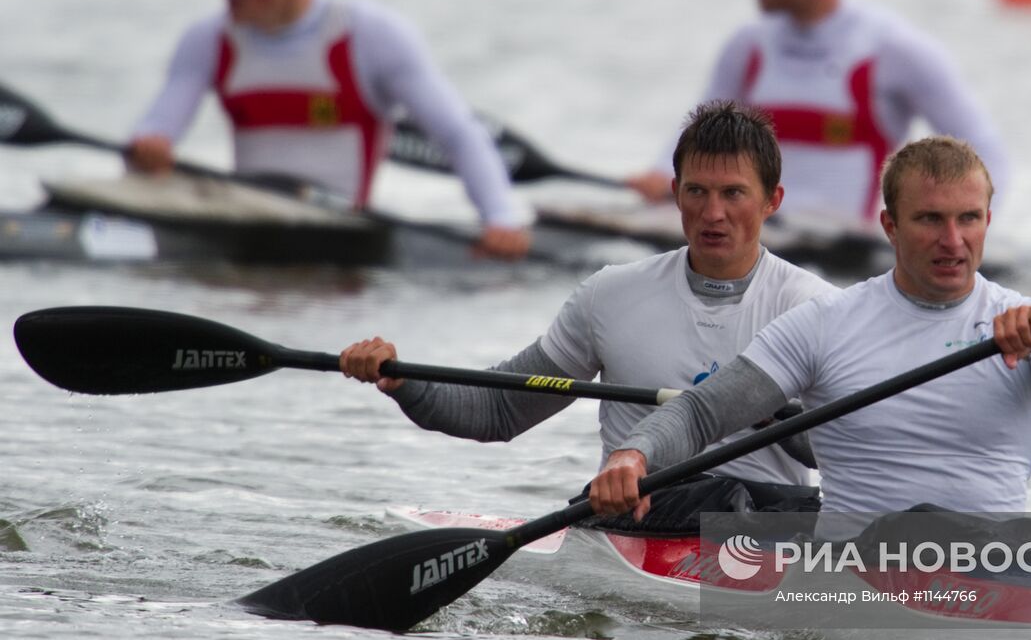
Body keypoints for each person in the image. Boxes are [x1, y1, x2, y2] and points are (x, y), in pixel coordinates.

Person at [592, 135, 1031, 533]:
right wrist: (633, 456)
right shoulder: (826, 323)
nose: (952, 241)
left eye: (968, 219)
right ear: (889, 226)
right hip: (855, 572)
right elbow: (702, 412)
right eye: (930, 220)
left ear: (988, 220)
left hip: (999, 562)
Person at [340, 100, 838, 516]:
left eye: (733, 194)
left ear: (772, 200)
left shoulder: (814, 308)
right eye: (697, 192)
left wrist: (772, 417)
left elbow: (858, 452)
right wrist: (402, 380)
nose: (713, 213)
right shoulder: (613, 295)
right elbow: (498, 411)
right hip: (643, 520)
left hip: (766, 529)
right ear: (674, 194)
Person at [127, 0, 530, 259]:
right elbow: (154, 129)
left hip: (341, 241)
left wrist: (500, 219)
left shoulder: (369, 37)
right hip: (248, 227)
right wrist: (147, 151)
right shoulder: (208, 39)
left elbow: (458, 135)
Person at [627, 0, 1011, 228]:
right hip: (758, 245)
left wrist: (963, 235)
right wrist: (662, 175)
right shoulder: (747, 49)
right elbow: (692, 137)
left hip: (846, 261)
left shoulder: (894, 50)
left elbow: (986, 153)